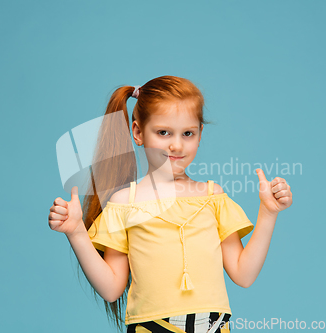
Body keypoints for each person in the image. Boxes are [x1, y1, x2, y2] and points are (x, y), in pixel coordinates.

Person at [48, 75, 293, 333]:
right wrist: (76, 232)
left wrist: (268, 213)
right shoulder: (124, 204)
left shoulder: (212, 197)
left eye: (188, 133)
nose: (176, 144)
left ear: (200, 134)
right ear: (138, 132)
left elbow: (244, 275)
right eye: (163, 132)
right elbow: (111, 289)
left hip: (213, 326)